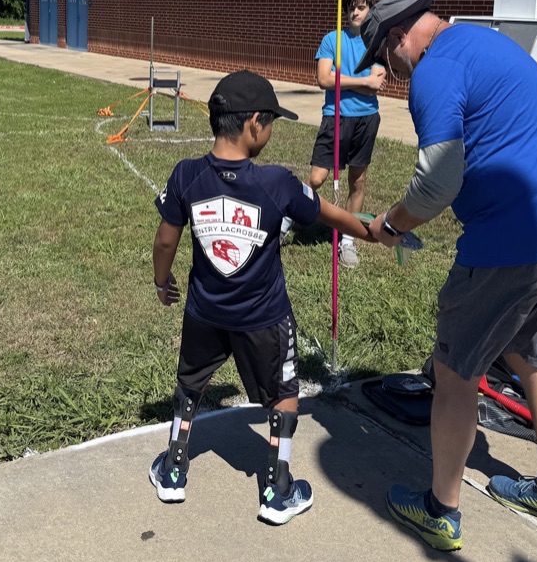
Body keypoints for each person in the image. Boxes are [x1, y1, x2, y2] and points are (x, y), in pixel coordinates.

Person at [356, 0, 537, 551]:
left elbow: (438, 181)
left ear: (398, 37)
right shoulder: (480, 40)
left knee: (455, 373)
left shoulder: (434, 72)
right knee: (534, 354)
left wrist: (392, 223)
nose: (389, 71)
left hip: (517, 245)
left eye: (385, 57)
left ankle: (440, 510)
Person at [150, 69, 375, 525]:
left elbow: (165, 240)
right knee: (284, 392)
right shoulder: (277, 183)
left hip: (203, 311)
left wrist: (161, 281)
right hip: (264, 319)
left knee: (190, 383)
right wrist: (371, 232)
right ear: (255, 123)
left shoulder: (186, 174)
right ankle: (277, 490)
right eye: (270, 122)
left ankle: (173, 471)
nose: (270, 131)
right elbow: (330, 214)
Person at [299, 0, 386, 268]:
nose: (355, 12)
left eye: (361, 7)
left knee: (357, 181)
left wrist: (341, 78)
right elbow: (323, 80)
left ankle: (348, 240)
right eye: (351, 8)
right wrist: (362, 81)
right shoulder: (332, 39)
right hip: (335, 116)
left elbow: (374, 87)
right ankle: (287, 217)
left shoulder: (377, 43)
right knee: (317, 178)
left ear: (370, 11)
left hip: (366, 119)